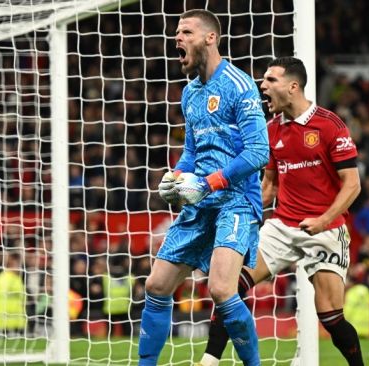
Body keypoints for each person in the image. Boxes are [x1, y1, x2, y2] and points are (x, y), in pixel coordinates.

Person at [197, 56, 364, 366]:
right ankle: (209, 360)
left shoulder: (329, 125)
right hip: (282, 226)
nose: (263, 86)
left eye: (270, 80)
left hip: (325, 231)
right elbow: (269, 186)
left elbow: (352, 185)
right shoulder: (271, 130)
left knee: (330, 316)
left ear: (293, 86)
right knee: (228, 286)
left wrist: (324, 219)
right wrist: (239, 217)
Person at [138, 9, 269, 366]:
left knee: (222, 288)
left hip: (236, 201)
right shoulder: (190, 93)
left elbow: (259, 151)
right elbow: (192, 151)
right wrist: (176, 177)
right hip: (201, 201)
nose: (176, 38)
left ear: (210, 37)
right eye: (176, 32)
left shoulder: (240, 86)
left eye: (186, 32)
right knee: (156, 286)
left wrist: (209, 182)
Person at [0, 251, 27, 335]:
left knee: (20, 340)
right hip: (5, 314)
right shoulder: (2, 278)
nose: (19, 267)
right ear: (11, 265)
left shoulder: (17, 278)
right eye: (17, 265)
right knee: (5, 340)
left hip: (16, 314)